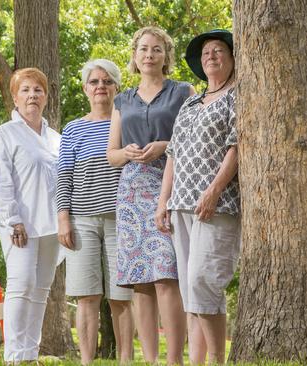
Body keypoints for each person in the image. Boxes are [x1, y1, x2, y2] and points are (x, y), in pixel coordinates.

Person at [107, 26, 195, 365]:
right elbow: (110, 154)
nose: (149, 55)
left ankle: (174, 360)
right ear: (134, 55)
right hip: (130, 192)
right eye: (143, 49)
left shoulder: (183, 92)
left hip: (170, 185)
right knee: (141, 280)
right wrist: (126, 153)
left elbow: (193, 139)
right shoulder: (122, 100)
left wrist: (165, 145)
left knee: (166, 274)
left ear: (166, 57)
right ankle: (151, 361)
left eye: (156, 49)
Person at [155, 29, 240, 364]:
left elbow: (237, 146)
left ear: (233, 59)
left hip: (216, 203)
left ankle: (218, 360)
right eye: (206, 53)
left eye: (219, 50)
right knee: (190, 289)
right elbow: (173, 154)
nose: (211, 56)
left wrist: (215, 189)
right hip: (180, 204)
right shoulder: (190, 102)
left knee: (204, 279)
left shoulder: (238, 96)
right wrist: (163, 202)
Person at [56, 59, 134, 364]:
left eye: (107, 81)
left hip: (122, 220)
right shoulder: (73, 129)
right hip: (82, 220)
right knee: (86, 296)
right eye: (94, 82)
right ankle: (87, 362)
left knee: (122, 297)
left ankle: (126, 360)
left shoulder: (128, 121)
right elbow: (64, 177)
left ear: (116, 87)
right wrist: (64, 218)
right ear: (86, 89)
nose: (100, 86)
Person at [0, 67, 61, 363]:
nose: (32, 95)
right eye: (25, 90)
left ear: (46, 97)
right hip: (21, 225)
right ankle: (14, 356)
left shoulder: (55, 138)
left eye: (38, 90)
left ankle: (30, 354)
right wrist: (12, 219)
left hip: (52, 225)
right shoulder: (6, 134)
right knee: (21, 284)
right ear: (15, 99)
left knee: (41, 289)